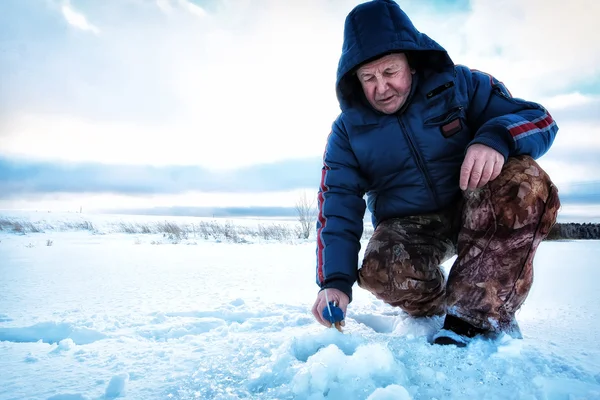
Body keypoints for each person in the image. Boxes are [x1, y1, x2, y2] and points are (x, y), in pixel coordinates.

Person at [311, 0, 560, 347]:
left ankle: (475, 318)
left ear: (410, 63)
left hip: (475, 201)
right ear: (354, 79)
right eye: (368, 78)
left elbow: (540, 119)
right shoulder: (347, 132)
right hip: (412, 224)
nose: (381, 88)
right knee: (381, 270)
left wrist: (495, 139)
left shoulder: (461, 85)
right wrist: (334, 282)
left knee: (524, 182)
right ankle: (439, 304)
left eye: (389, 72)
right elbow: (337, 203)